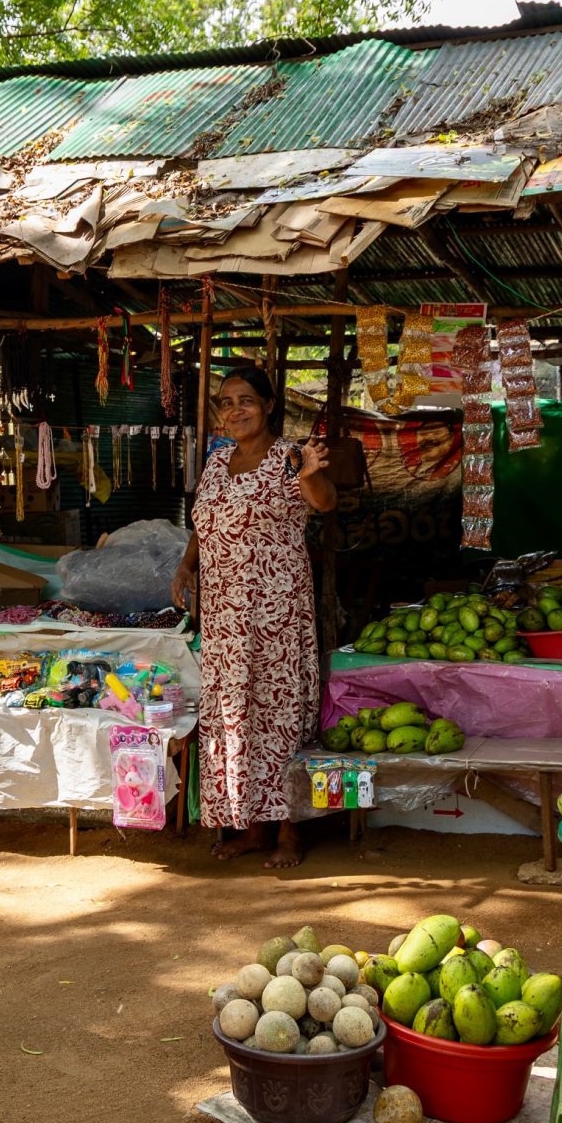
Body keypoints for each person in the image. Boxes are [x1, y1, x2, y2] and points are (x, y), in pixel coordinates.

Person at [174, 366, 335, 868]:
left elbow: (325, 502)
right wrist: (186, 565)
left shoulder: (288, 456)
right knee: (235, 716)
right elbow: (205, 521)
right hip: (224, 616)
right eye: (226, 402)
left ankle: (289, 831)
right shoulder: (218, 461)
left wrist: (309, 471)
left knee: (279, 714)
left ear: (268, 405)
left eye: (246, 400)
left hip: (276, 615)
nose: (235, 410)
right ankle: (251, 827)